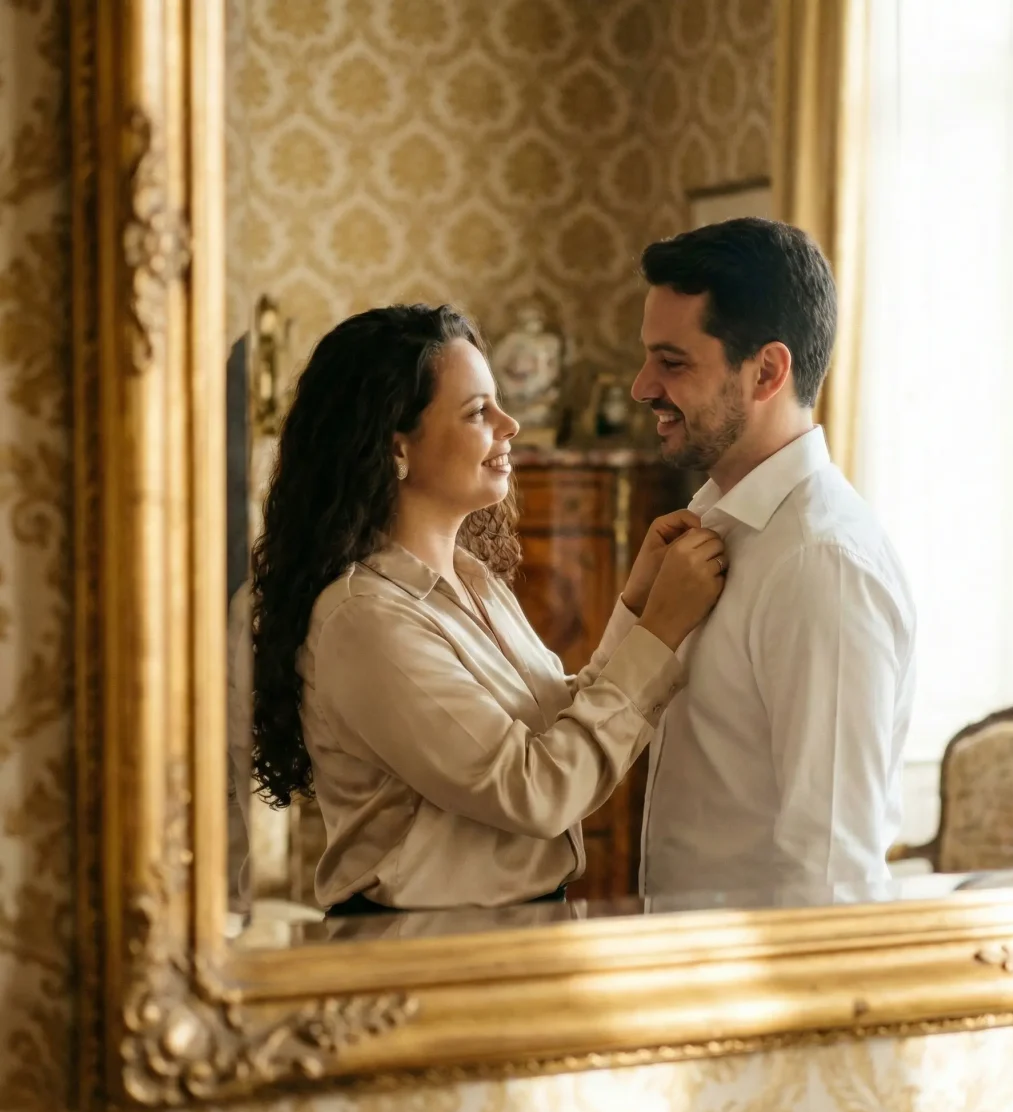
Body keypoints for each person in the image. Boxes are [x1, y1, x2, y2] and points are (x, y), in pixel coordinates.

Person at [245, 303, 726, 914]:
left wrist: (637, 607)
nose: (511, 424)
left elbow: (555, 724)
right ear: (396, 448)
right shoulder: (364, 620)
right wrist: (660, 633)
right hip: (420, 953)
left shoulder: (475, 580)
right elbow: (536, 789)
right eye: (478, 411)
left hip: (512, 934)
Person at [627, 217, 917, 896]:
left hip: (759, 997)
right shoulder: (707, 527)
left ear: (766, 371)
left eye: (672, 362)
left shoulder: (822, 563)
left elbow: (832, 871)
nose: (642, 386)